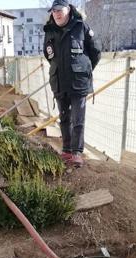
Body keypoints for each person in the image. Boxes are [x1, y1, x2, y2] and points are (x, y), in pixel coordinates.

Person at [43, 0, 101, 168]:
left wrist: (83, 69)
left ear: (68, 10)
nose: (57, 13)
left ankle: (76, 152)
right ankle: (67, 150)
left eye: (60, 10)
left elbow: (95, 52)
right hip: (60, 82)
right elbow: (48, 55)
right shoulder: (49, 30)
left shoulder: (81, 26)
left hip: (78, 82)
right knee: (64, 118)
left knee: (78, 118)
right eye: (54, 11)